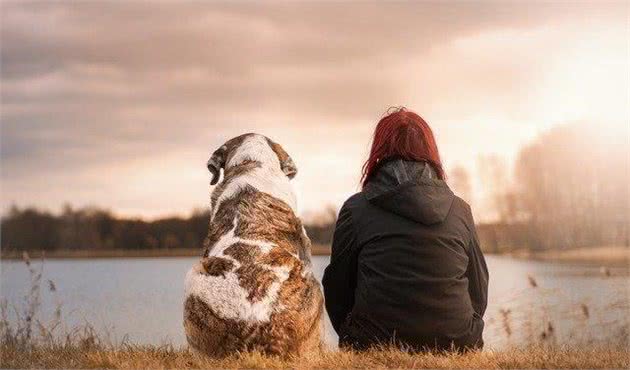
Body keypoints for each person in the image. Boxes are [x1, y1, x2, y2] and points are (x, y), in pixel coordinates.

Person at [322, 107, 488, 352]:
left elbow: (337, 288)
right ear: (430, 151)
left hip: (372, 343)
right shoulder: (460, 210)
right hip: (457, 343)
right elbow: (479, 287)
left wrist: (353, 334)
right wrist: (460, 331)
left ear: (379, 151)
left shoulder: (355, 209)